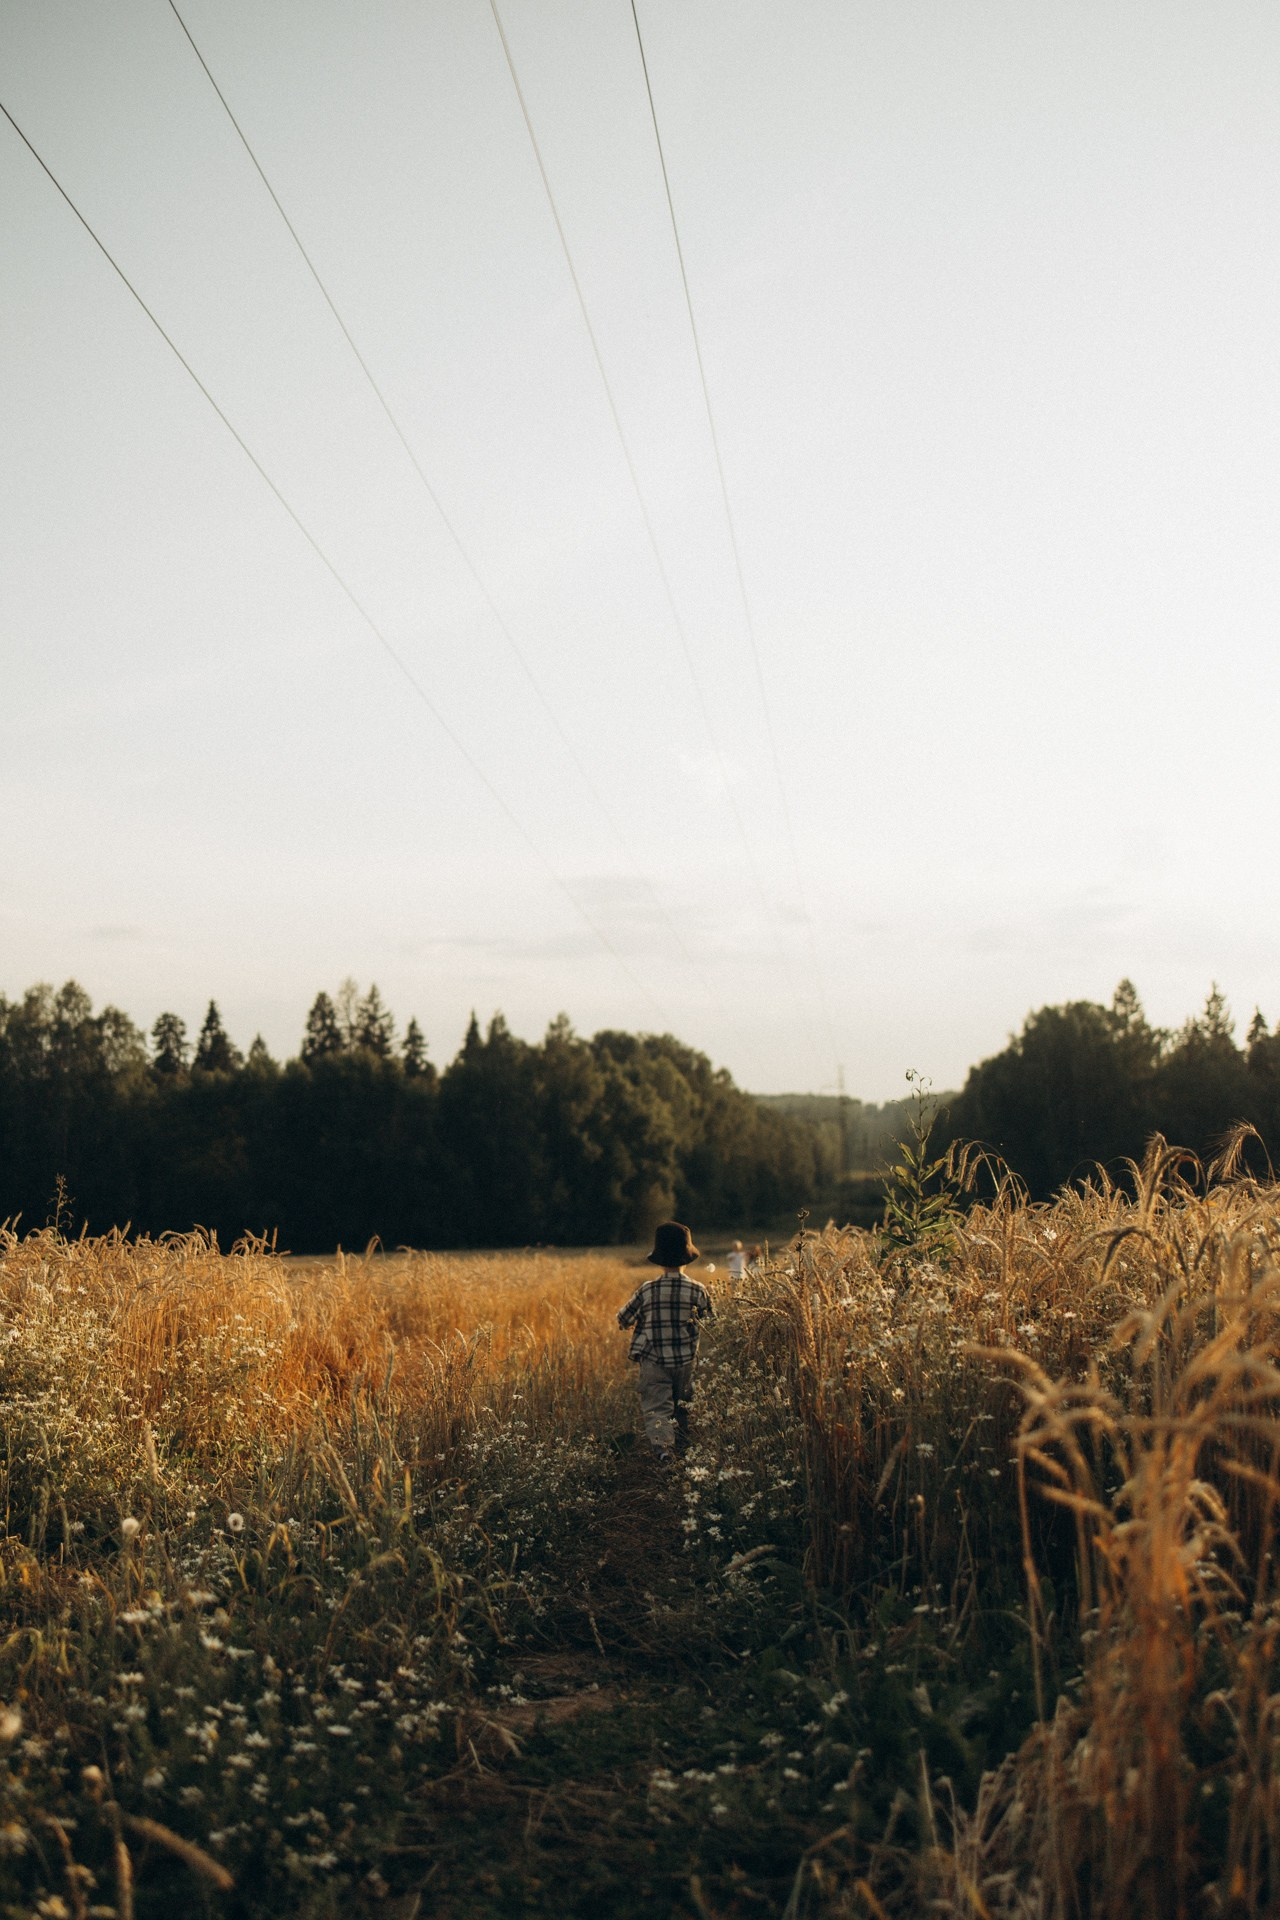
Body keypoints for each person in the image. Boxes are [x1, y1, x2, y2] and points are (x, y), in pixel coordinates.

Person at [617, 1221, 713, 1463]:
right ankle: (683, 1448)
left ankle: (663, 1452)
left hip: (654, 1361)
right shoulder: (698, 1290)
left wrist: (635, 1323)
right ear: (687, 1258)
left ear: (658, 1259)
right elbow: (712, 1323)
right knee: (683, 1405)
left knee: (657, 1406)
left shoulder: (647, 1290)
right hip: (686, 1360)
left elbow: (623, 1318)